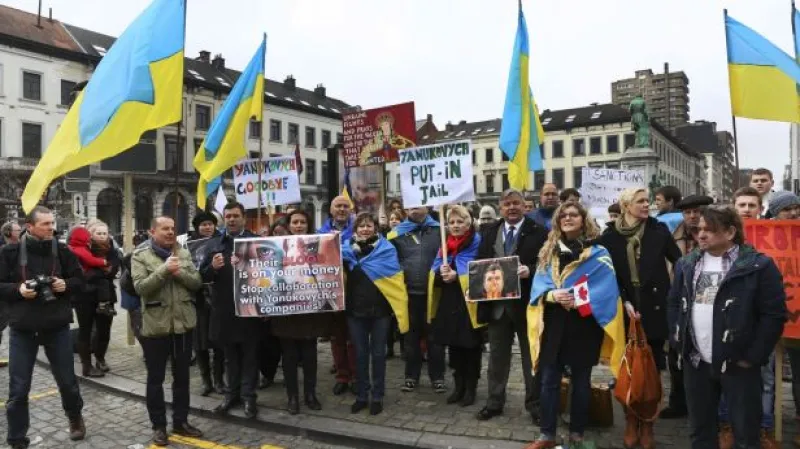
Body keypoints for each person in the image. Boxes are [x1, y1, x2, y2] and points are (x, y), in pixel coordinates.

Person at [667, 206, 786, 449]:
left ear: (731, 232)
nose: (701, 235)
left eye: (709, 230)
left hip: (738, 363)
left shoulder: (758, 266)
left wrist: (753, 357)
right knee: (701, 431)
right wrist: (679, 341)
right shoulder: (686, 264)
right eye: (699, 229)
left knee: (745, 432)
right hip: (696, 360)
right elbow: (673, 304)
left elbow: (773, 316)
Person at [525, 201, 625, 449]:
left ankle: (577, 435)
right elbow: (539, 286)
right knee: (549, 380)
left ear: (583, 220)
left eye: (574, 215)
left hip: (584, 323)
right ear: (558, 221)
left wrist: (576, 299)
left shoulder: (599, 252)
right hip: (554, 322)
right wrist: (553, 296)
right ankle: (546, 436)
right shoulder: (548, 251)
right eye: (563, 216)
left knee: (581, 380)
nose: (568, 218)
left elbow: (606, 288)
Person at [599, 187, 681, 449]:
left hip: (655, 310)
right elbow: (605, 273)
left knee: (652, 372)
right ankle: (631, 422)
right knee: (628, 372)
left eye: (648, 201)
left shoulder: (659, 230)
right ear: (626, 205)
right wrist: (624, 301)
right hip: (624, 312)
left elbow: (678, 262)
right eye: (641, 201)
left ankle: (647, 424)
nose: (647, 205)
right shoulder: (609, 236)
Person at [0, 206, 86, 448]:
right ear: (30, 226)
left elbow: (80, 280)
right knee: (18, 389)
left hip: (56, 326)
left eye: (52, 223)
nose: (52, 228)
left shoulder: (63, 251)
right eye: (46, 224)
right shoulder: (10, 252)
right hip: (23, 328)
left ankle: (75, 417)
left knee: (67, 382)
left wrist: (65, 284)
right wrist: (18, 289)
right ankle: (17, 438)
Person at [476, 189, 548, 423]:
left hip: (527, 305)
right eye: (507, 204)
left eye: (516, 203)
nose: (512, 208)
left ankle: (535, 404)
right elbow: (479, 264)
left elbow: (549, 266)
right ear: (500, 206)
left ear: (525, 205)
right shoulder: (488, 232)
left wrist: (532, 270)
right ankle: (494, 402)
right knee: (497, 358)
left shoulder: (540, 232)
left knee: (531, 359)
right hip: (497, 307)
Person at [132, 216, 203, 446]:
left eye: (173, 228)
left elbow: (196, 282)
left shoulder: (183, 252)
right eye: (165, 229)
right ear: (153, 231)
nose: (170, 232)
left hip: (183, 325)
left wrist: (178, 272)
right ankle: (159, 427)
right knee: (155, 380)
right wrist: (164, 270)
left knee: (182, 378)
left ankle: (180, 421)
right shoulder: (140, 255)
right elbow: (141, 288)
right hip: (156, 327)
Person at [342, 212, 409, 415]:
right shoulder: (345, 250)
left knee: (378, 355)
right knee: (360, 354)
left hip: (380, 310)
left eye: (369, 225)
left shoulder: (387, 249)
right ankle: (362, 395)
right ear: (355, 230)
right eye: (360, 226)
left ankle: (377, 396)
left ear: (375, 228)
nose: (365, 229)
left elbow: (394, 278)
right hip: (355, 310)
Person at [200, 203, 260, 419]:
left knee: (250, 356)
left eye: (236, 216)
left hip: (250, 309)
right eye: (228, 216)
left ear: (244, 217)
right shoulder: (215, 244)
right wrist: (213, 268)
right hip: (224, 309)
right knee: (229, 357)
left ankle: (249, 397)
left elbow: (269, 272)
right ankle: (230, 395)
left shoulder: (255, 241)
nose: (232, 220)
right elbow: (203, 276)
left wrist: (247, 264)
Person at [271, 210, 331, 414]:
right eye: (295, 222)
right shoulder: (278, 246)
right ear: (288, 225)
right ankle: (292, 397)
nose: (298, 225)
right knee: (288, 358)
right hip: (285, 310)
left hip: (309, 309)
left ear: (308, 224)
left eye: (302, 222)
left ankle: (310, 394)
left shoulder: (318, 244)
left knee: (309, 356)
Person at [659, 194, 713, 422]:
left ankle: (708, 405)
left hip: (707, 300)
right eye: (688, 212)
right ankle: (678, 402)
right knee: (676, 354)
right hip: (680, 299)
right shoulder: (674, 236)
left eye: (697, 211)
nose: (692, 216)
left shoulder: (714, 233)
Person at [428, 205, 484, 407]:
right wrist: (440, 275)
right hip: (449, 302)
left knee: (471, 347)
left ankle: (470, 388)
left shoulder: (477, 243)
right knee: (454, 347)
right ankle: (458, 386)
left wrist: (458, 276)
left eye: (460, 221)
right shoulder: (445, 246)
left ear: (468, 223)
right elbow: (434, 275)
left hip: (469, 304)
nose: (456, 225)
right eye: (451, 222)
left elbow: (484, 271)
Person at [389, 206, 444, 393]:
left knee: (435, 338)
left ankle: (438, 377)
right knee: (411, 339)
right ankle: (411, 376)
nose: (413, 208)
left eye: (418, 204)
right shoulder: (395, 233)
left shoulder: (439, 230)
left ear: (427, 206)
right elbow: (388, 259)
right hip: (408, 294)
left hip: (434, 293)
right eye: (410, 204)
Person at [318, 196, 357, 395]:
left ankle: (356, 376)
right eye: (338, 206)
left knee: (354, 337)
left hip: (356, 292)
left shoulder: (360, 230)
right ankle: (342, 375)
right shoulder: (320, 234)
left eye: (345, 206)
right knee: (337, 337)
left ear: (350, 209)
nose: (342, 209)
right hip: (331, 292)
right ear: (331, 210)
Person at [187, 212, 226, 396]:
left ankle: (219, 380)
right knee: (200, 343)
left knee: (219, 342)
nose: (207, 227)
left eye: (210, 224)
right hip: (198, 300)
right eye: (203, 224)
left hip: (219, 297)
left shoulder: (222, 240)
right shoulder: (188, 245)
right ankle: (206, 381)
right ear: (197, 227)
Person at [0, 221, 22, 369]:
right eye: (17, 230)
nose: (20, 232)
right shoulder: (4, 251)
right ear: (8, 233)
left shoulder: (21, 248)